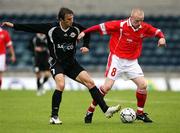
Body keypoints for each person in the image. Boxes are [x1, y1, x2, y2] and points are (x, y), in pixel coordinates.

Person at [2, 7, 120, 124]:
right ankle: (54, 117)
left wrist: (86, 46)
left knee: (90, 82)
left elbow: (87, 32)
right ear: (61, 20)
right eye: (68, 19)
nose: (71, 21)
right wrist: (13, 25)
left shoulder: (76, 28)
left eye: (72, 18)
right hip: (56, 62)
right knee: (61, 84)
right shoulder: (51, 28)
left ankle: (106, 109)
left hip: (71, 63)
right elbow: (31, 27)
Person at [78, 8, 166, 123]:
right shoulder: (120, 25)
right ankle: (90, 111)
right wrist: (85, 32)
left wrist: (162, 38)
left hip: (132, 62)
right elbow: (100, 26)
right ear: (131, 18)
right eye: (137, 21)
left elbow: (157, 31)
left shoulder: (143, 27)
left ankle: (140, 113)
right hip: (117, 60)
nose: (139, 23)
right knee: (106, 87)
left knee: (143, 85)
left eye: (141, 20)